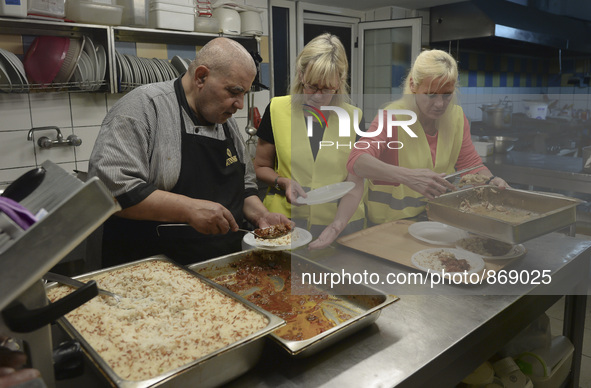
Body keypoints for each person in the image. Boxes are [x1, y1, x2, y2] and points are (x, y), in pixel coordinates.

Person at [88, 38, 290, 266]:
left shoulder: (225, 121)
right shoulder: (143, 108)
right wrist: (189, 209)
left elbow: (244, 188)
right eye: (234, 91)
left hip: (222, 267)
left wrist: (262, 216)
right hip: (152, 273)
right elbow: (112, 192)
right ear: (201, 77)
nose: (240, 104)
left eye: (244, 93)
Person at [347, 49, 508, 225]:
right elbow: (357, 162)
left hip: (436, 219)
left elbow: (470, 165)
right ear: (413, 86)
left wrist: (490, 181)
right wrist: (407, 177)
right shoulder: (392, 117)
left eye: (447, 95)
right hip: (390, 225)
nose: (440, 104)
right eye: (430, 95)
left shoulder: (457, 118)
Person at [254, 33, 365, 249]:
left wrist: (336, 226)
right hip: (286, 222)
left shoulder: (354, 118)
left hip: (340, 226)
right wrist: (282, 181)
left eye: (327, 89)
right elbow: (260, 166)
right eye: (312, 86)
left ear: (340, 82)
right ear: (301, 74)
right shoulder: (277, 109)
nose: (317, 96)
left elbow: (355, 183)